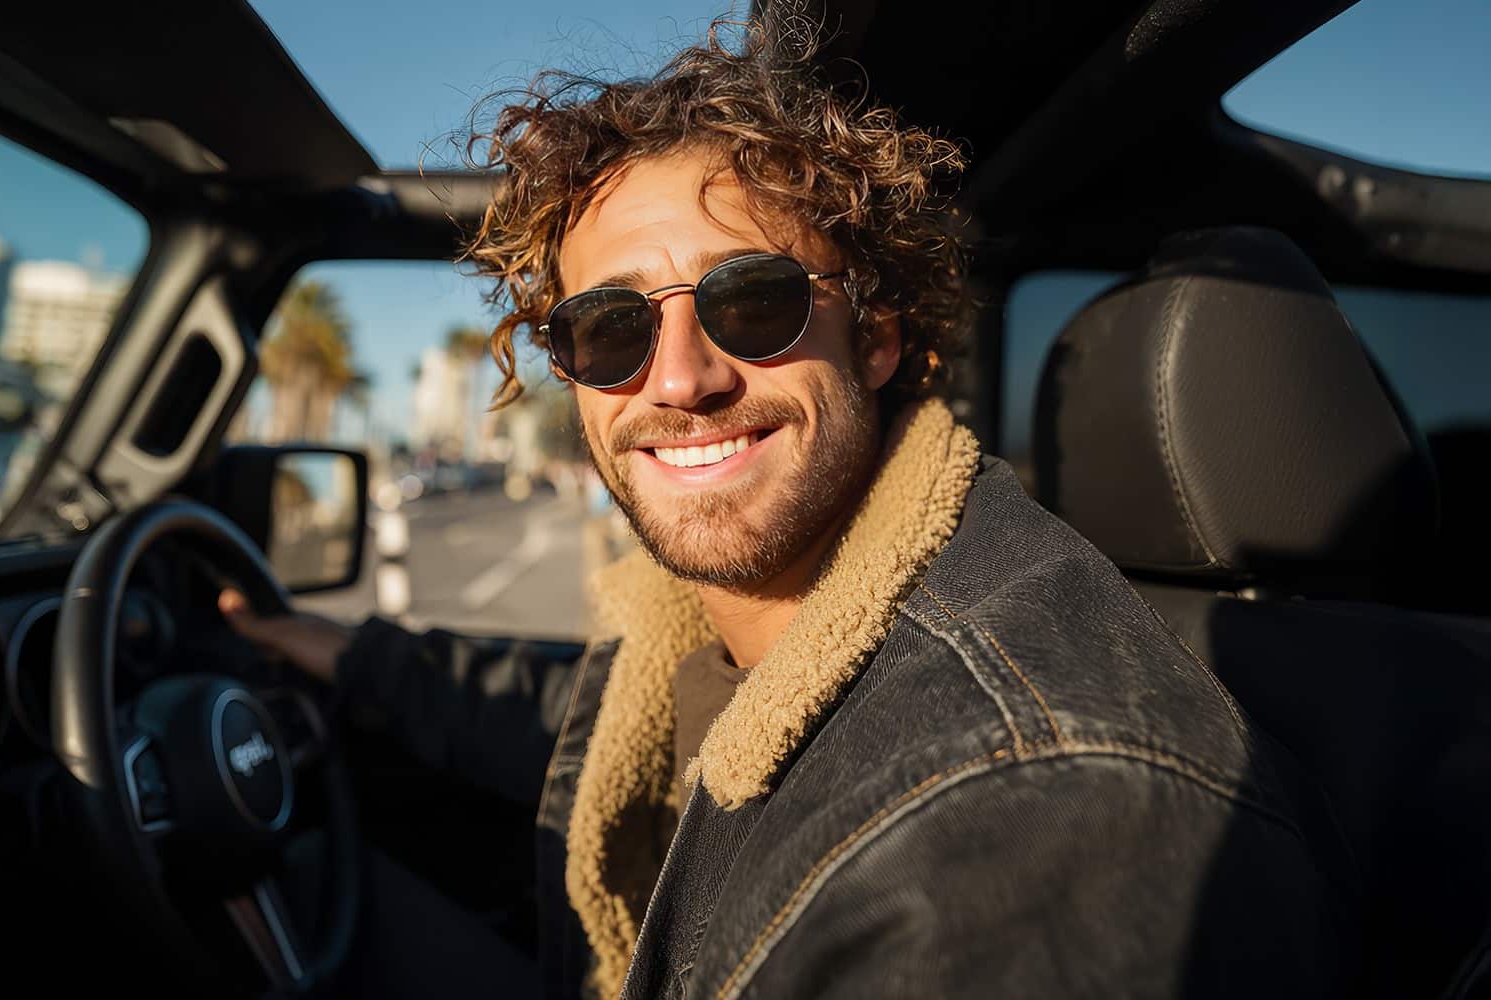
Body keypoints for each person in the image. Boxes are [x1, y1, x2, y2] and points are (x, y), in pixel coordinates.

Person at [219, 21, 1353, 1000]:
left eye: (751, 300)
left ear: (877, 335)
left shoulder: (1029, 817)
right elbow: (587, 719)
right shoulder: (729, 631)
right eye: (609, 331)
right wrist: (319, 645)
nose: (679, 379)